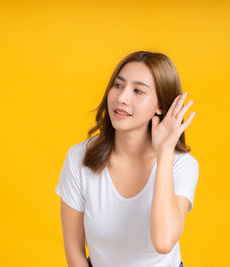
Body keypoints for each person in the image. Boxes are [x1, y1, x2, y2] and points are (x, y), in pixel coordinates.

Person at [55, 50, 199, 267]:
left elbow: (163, 242)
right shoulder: (79, 158)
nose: (122, 98)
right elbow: (74, 252)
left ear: (160, 105)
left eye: (138, 91)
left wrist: (165, 154)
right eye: (118, 85)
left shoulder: (182, 165)